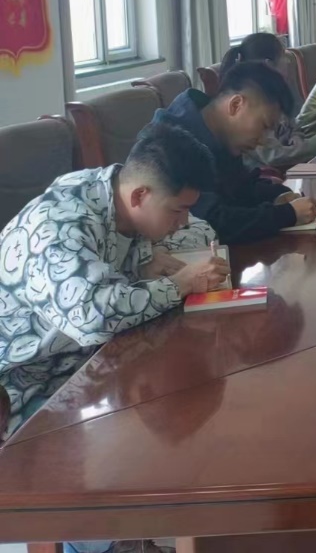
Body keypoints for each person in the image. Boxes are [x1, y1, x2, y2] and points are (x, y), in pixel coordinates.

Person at [0, 123, 230, 438]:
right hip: (26, 385)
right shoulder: (59, 228)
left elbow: (202, 232)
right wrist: (179, 285)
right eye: (178, 210)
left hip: (91, 366)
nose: (183, 221)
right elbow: (93, 319)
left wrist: (143, 260)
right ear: (140, 196)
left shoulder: (114, 190)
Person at [151, 61, 316, 243]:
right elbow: (211, 223)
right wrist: (287, 214)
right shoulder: (172, 142)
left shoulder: (219, 133)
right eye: (264, 126)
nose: (264, 140)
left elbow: (239, 189)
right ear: (236, 105)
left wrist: (278, 195)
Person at [220, 32, 316, 168]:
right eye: (284, 56)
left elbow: (293, 125)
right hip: (264, 175)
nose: (288, 61)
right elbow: (273, 156)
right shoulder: (251, 106)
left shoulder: (275, 92)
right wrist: (314, 145)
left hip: (290, 166)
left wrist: (296, 137)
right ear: (268, 65)